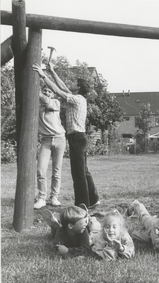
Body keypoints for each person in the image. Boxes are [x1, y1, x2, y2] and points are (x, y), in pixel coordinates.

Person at [32, 63, 100, 208]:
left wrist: (42, 75)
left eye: (75, 82)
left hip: (76, 137)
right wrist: (52, 71)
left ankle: (82, 204)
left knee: (78, 172)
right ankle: (93, 199)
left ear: (79, 87)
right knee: (84, 170)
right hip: (78, 137)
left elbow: (57, 90)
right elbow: (62, 87)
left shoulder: (77, 99)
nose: (72, 83)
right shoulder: (77, 97)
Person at [34, 86, 66, 209]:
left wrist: (38, 92)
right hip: (45, 140)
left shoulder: (55, 102)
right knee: (41, 170)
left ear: (53, 94)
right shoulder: (36, 105)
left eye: (49, 91)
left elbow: (46, 101)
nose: (47, 92)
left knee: (56, 171)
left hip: (59, 139)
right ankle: (42, 198)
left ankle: (54, 197)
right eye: (44, 90)